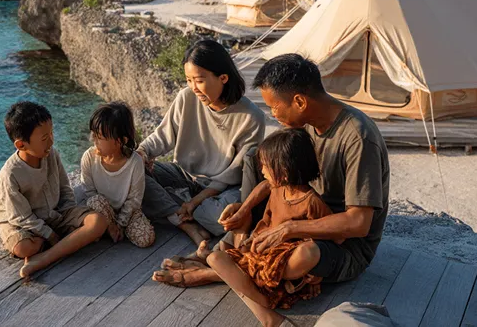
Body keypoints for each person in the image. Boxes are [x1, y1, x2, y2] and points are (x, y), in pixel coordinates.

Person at [154, 53, 390, 293]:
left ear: (299, 102)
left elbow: (359, 224)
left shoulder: (358, 138)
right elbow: (279, 178)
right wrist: (245, 208)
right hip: (297, 214)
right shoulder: (305, 124)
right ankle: (231, 251)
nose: (273, 114)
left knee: (304, 256)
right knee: (256, 161)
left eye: (274, 107)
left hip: (340, 246)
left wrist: (289, 229)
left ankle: (216, 272)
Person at [203, 128, 339, 327]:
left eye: (265, 166)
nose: (262, 171)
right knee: (214, 258)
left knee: (220, 261)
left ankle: (265, 311)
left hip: (278, 273)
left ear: (283, 171)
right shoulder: (277, 189)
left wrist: (316, 274)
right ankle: (266, 312)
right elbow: (263, 222)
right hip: (257, 260)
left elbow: (334, 237)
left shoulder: (312, 202)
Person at [137, 38, 266, 248]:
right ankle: (186, 223)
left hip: (221, 190)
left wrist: (194, 202)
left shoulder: (251, 117)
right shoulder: (186, 98)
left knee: (220, 219)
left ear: (223, 77)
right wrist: (142, 153)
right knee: (131, 172)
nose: (193, 88)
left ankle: (172, 208)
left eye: (199, 80)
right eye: (188, 80)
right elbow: (162, 137)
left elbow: (233, 174)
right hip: (185, 176)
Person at [0, 101, 108, 278]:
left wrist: (71, 212)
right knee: (23, 247)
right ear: (21, 145)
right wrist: (51, 235)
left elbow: (65, 188)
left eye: (51, 133)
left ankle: (43, 258)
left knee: (98, 221)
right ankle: (63, 243)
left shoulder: (51, 154)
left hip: (54, 214)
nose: (51, 140)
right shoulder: (10, 174)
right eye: (44, 138)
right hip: (23, 223)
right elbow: (20, 216)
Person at [80, 102, 155, 248]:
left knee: (146, 238)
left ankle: (113, 231)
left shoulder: (135, 162)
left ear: (120, 141)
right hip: (101, 210)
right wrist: (110, 224)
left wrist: (120, 223)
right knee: (94, 201)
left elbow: (134, 199)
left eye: (99, 137)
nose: (93, 141)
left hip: (128, 212)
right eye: (93, 135)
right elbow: (89, 193)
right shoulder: (89, 157)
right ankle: (108, 229)